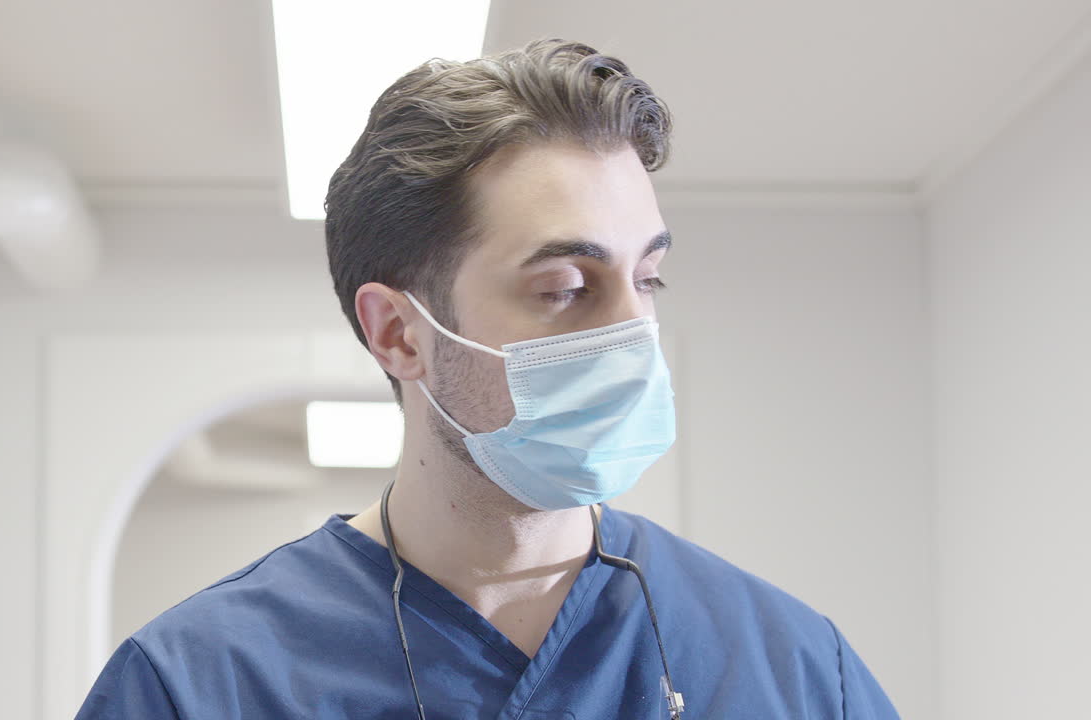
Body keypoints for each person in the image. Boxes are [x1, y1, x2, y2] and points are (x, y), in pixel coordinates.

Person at [75, 38, 901, 719]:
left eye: (646, 282)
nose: (631, 336)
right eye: (564, 290)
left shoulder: (789, 670)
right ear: (399, 333)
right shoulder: (199, 685)